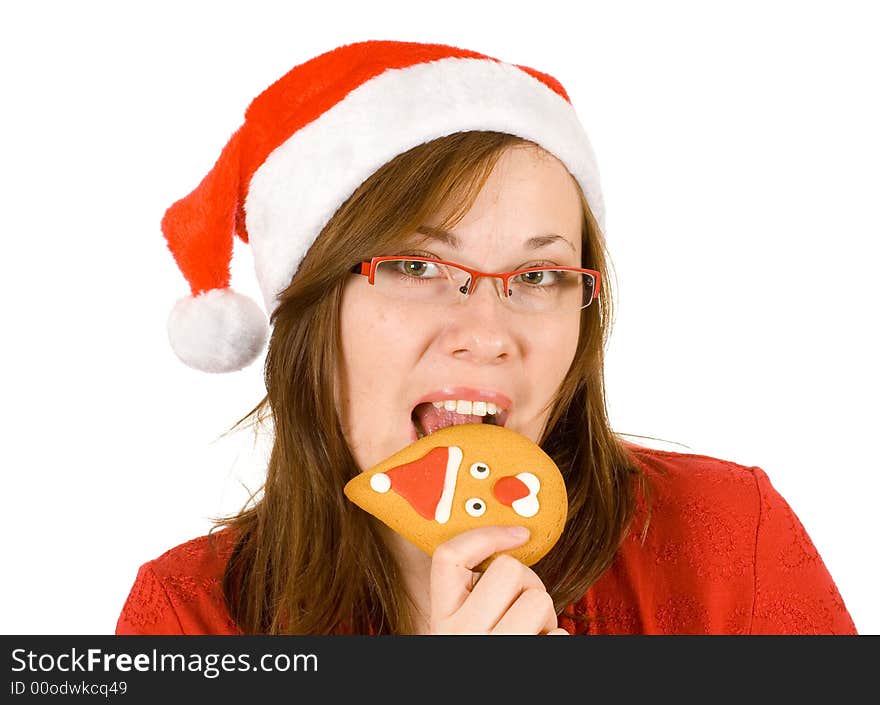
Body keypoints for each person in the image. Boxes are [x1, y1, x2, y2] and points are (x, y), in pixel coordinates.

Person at [116, 40, 857, 635]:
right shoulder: (190, 620)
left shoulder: (728, 538)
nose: (488, 334)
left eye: (538, 276)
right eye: (414, 265)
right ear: (312, 312)